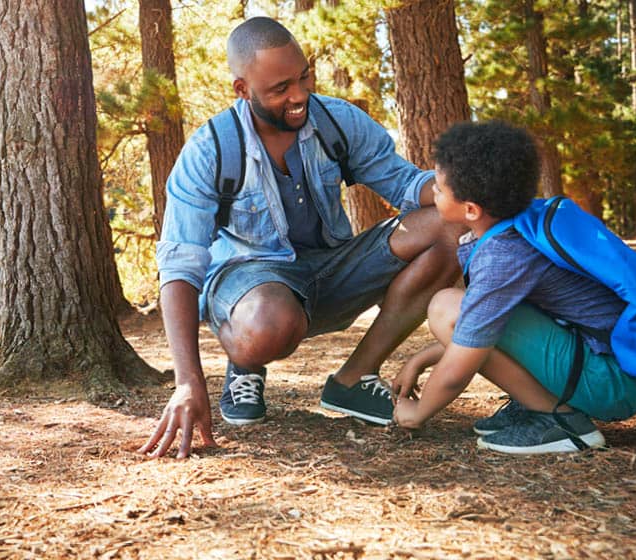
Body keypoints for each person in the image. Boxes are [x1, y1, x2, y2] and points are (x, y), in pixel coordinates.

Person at [138, 17, 462, 459]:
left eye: (303, 77)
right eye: (280, 89)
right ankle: (246, 364)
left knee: (448, 223)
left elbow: (404, 184)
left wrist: (450, 185)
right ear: (241, 89)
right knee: (268, 324)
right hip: (250, 282)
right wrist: (187, 382)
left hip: (331, 267)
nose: (299, 95)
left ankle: (353, 380)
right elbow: (179, 268)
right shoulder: (210, 149)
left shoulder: (337, 121)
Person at [391, 120, 636, 454]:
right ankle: (541, 401)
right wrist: (422, 358)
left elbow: (463, 357)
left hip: (613, 382)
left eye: (440, 189)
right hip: (611, 369)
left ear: (471, 209)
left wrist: (418, 413)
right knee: (455, 309)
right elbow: (491, 326)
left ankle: (558, 419)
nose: (432, 191)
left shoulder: (503, 254)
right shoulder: (517, 226)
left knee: (447, 308)